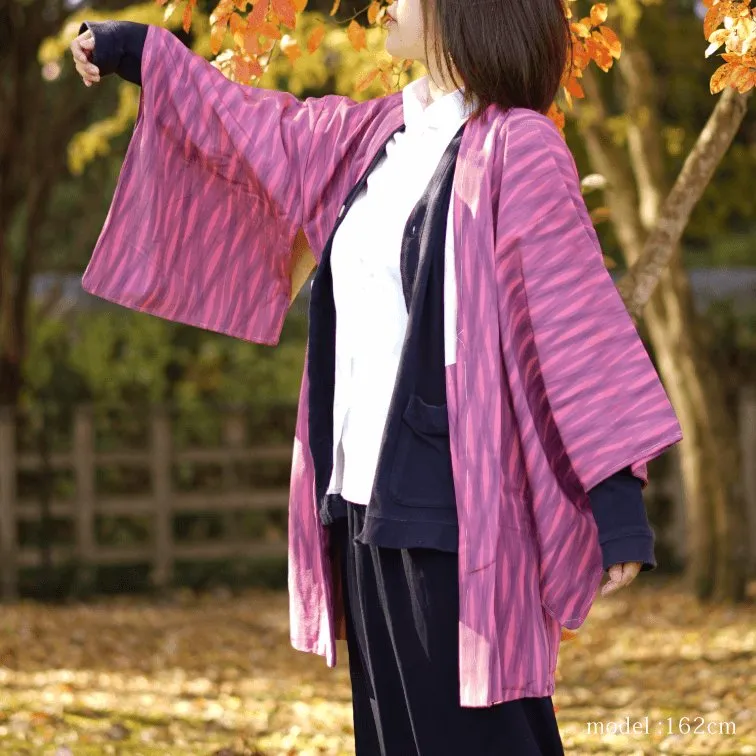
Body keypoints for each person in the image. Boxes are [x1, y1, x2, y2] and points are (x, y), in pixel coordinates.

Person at [70, 2, 683, 754]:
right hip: (359, 503)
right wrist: (141, 52)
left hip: (455, 514)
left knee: (484, 739)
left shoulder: (517, 146)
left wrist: (615, 496)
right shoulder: (373, 135)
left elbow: (574, 318)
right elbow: (251, 127)